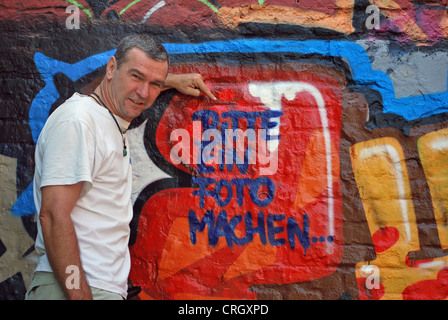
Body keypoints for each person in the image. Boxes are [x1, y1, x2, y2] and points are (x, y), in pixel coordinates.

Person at [26, 34, 216, 300]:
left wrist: (170, 81)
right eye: (136, 76)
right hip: (72, 288)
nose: (144, 92)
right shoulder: (79, 121)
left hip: (98, 287)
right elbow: (53, 214)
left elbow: (136, 89)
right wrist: (79, 294)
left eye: (155, 84)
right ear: (111, 68)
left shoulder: (104, 118)